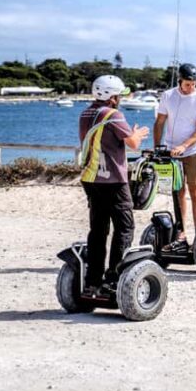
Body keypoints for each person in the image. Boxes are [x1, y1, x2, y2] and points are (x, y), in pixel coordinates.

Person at [79, 75, 149, 296]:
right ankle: (114, 279)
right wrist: (137, 134)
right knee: (125, 227)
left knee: (98, 230)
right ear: (112, 97)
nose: (120, 99)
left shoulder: (85, 113)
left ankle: (92, 281)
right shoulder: (113, 115)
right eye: (119, 95)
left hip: (90, 178)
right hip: (113, 180)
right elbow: (134, 144)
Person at [153, 63, 196, 250]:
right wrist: (157, 147)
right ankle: (181, 234)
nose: (191, 87)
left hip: (193, 150)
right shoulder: (168, 96)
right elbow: (159, 122)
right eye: (187, 84)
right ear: (180, 81)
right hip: (171, 151)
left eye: (193, 83)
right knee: (178, 191)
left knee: (195, 191)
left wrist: (184, 145)